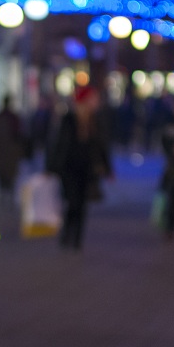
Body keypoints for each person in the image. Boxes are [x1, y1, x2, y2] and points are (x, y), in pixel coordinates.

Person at [50, 86, 112, 250]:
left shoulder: (94, 121)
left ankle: (77, 239)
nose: (96, 102)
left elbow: (101, 146)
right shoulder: (69, 119)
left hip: (87, 170)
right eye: (93, 99)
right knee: (72, 203)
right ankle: (67, 235)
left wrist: (107, 168)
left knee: (82, 205)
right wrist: (52, 167)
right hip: (69, 169)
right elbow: (59, 145)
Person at [0, 95, 23, 203]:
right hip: (8, 149)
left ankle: (4, 189)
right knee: (8, 170)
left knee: (3, 169)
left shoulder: (1, 117)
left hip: (4, 149)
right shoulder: (12, 117)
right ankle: (7, 189)